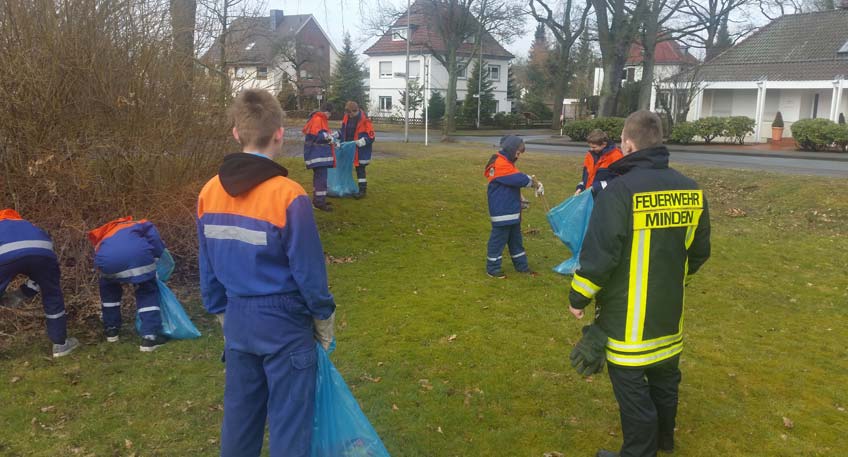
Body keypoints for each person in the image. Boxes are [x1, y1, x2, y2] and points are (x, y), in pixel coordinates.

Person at [197, 89, 336, 457]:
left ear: (236, 133)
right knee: (290, 423)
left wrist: (219, 310)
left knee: (240, 420)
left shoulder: (209, 192)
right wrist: (323, 316)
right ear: (280, 134)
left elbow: (206, 263)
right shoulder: (288, 195)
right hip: (284, 324)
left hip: (237, 319)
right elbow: (308, 270)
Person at [566, 111, 711, 457]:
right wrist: (673, 281)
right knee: (665, 382)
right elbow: (699, 253)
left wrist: (577, 297)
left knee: (634, 398)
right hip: (669, 318)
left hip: (627, 325)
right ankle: (664, 442)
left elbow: (600, 256)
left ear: (627, 144)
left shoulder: (619, 191)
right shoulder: (692, 191)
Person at [0, 209, 79, 357]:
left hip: (4, 257)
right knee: (52, 293)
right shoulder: (28, 225)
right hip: (43, 254)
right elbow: (45, 275)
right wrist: (22, 294)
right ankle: (60, 345)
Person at [87, 216, 168, 352]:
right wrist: (156, 256)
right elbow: (155, 240)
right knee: (146, 290)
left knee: (109, 290)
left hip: (108, 263)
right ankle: (150, 337)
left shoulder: (105, 233)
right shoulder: (140, 224)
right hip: (138, 257)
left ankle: (111, 330)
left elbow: (99, 252)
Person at [484, 135, 543, 278]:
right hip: (503, 211)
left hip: (511, 210)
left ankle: (522, 266)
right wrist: (535, 183)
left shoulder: (505, 162)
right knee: (498, 241)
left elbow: (512, 180)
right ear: (511, 150)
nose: (518, 156)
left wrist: (521, 198)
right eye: (517, 153)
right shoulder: (500, 163)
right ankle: (492, 268)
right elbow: (517, 178)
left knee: (516, 241)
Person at [302, 102, 337, 211]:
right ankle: (319, 203)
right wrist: (329, 137)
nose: (330, 116)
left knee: (319, 179)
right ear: (327, 112)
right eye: (330, 114)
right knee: (321, 180)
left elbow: (318, 133)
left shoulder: (318, 119)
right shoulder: (318, 119)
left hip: (318, 155)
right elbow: (316, 135)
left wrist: (329, 136)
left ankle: (319, 199)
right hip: (318, 155)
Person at [338, 101, 376, 198]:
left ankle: (362, 190)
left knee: (360, 170)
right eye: (348, 113)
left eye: (351, 113)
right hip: (347, 148)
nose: (350, 116)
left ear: (356, 110)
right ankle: (343, 187)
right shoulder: (346, 117)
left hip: (360, 151)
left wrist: (360, 142)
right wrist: (337, 135)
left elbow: (371, 137)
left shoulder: (365, 121)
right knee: (344, 168)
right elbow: (343, 131)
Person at [574, 129, 623, 196]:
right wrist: (580, 187)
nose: (591, 149)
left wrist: (597, 187)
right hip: (590, 195)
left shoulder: (616, 156)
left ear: (604, 144)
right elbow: (585, 177)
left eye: (594, 147)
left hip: (605, 196)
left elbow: (619, 180)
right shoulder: (590, 155)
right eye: (590, 147)